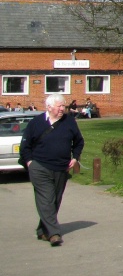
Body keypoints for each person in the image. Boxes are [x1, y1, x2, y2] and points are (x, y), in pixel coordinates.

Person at [17, 95, 85, 247]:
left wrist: (75, 157)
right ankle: (54, 233)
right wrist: (30, 162)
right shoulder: (36, 123)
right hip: (40, 167)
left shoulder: (69, 122)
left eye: (63, 106)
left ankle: (42, 229)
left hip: (61, 167)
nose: (62, 109)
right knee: (46, 198)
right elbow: (25, 146)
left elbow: (79, 141)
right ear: (49, 107)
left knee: (55, 200)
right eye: (59, 106)